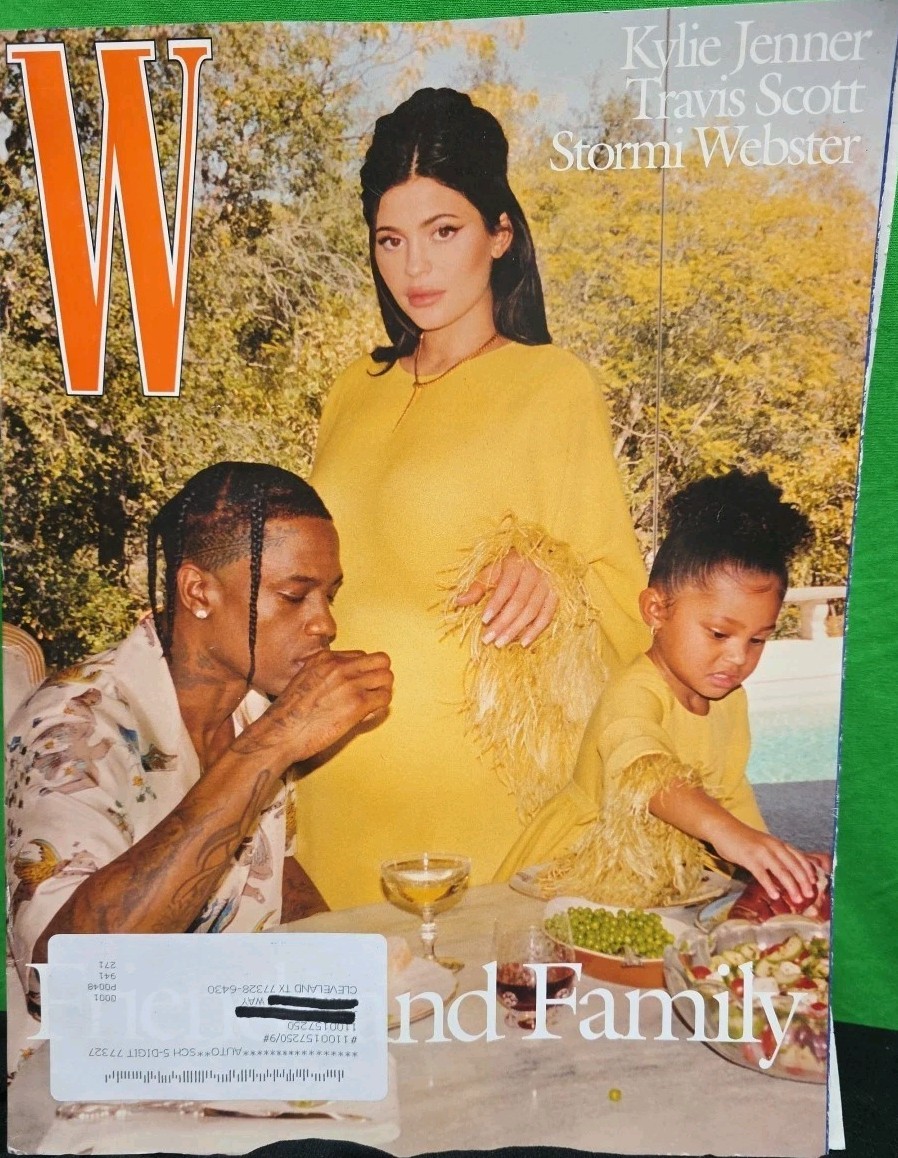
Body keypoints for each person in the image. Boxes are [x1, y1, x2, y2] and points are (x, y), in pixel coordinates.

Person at [303, 87, 649, 908]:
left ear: (500, 233)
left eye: (443, 232)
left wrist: (553, 575)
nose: (414, 268)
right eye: (390, 240)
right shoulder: (352, 388)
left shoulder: (551, 386)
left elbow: (628, 606)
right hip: (335, 781)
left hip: (479, 801)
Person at [5, 462, 393, 1010]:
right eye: (293, 596)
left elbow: (266, 874)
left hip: (228, 1032)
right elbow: (65, 982)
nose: (325, 623)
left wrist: (354, 976)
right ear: (198, 591)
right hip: (94, 1055)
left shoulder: (253, 706)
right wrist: (271, 744)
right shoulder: (71, 728)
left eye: (329, 595)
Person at [496, 469, 823, 908]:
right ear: (656, 609)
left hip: (657, 878)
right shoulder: (635, 691)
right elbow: (643, 771)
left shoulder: (730, 701)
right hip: (577, 870)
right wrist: (727, 833)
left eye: (757, 640)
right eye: (719, 634)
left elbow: (731, 795)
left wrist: (773, 858)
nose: (737, 657)